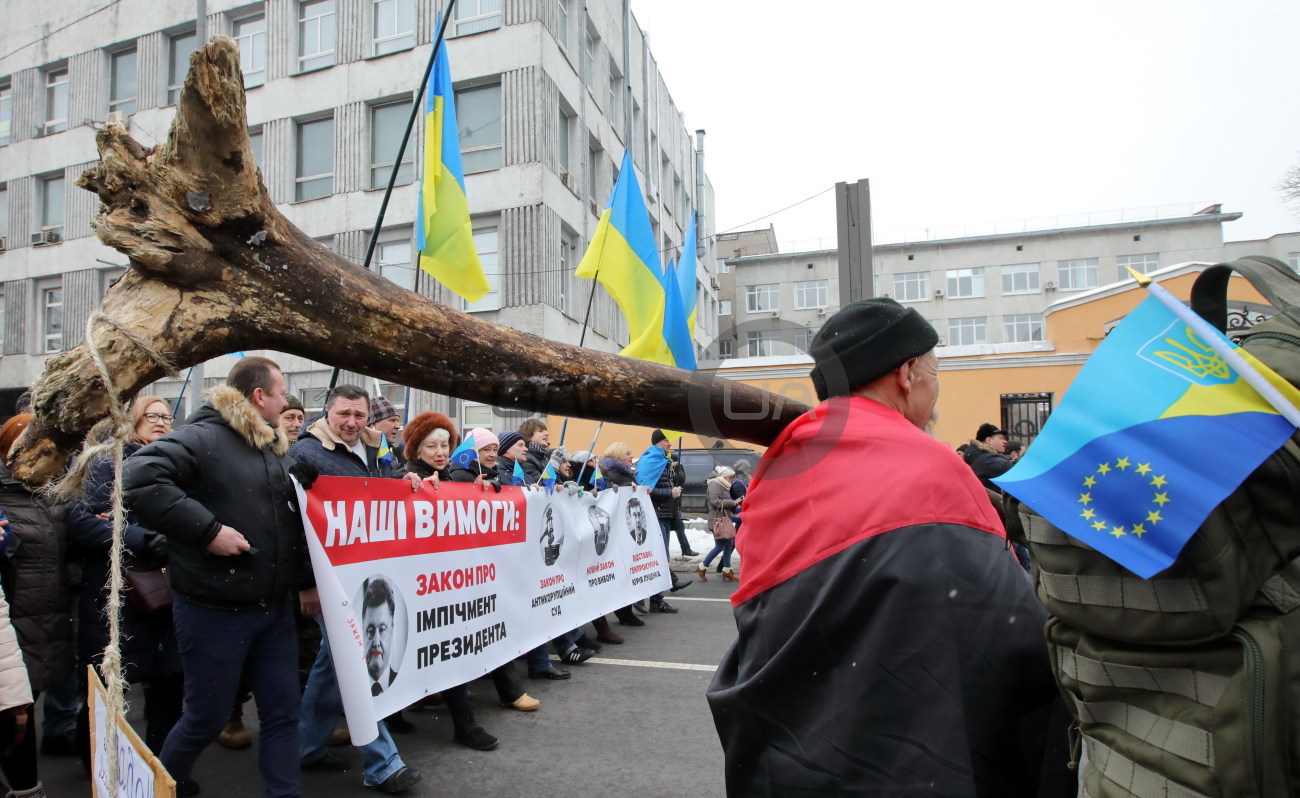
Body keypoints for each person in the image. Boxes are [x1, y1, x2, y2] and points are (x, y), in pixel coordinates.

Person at [706, 298, 1073, 797]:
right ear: (906, 372)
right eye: (935, 371)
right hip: (906, 761)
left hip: (796, 754)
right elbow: (1007, 633)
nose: (936, 387)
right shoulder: (930, 466)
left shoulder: (784, 460)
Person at [121, 357, 309, 798]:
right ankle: (163, 788)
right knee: (205, 717)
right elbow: (138, 477)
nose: (285, 403)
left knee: (283, 713)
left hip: (273, 609)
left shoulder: (270, 446)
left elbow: (289, 523)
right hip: (214, 611)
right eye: (281, 393)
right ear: (259, 397)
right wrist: (207, 532)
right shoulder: (202, 438)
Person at [291, 385, 423, 794]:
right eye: (343, 414)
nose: (351, 422)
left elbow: (383, 490)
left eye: (359, 415)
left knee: (333, 665)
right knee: (356, 660)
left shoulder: (378, 450)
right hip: (332, 580)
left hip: (368, 575)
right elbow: (294, 524)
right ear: (326, 413)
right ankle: (383, 763)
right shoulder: (305, 455)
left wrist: (407, 479)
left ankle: (305, 747)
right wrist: (307, 584)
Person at [67, 396, 183, 763]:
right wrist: (147, 539)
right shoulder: (105, 461)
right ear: (131, 420)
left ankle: (161, 765)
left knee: (169, 682)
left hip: (167, 590)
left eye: (167, 417)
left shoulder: (175, 464)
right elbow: (82, 522)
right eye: (153, 416)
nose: (162, 422)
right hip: (114, 593)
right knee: (110, 683)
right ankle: (101, 763)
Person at [0, 414, 72, 798]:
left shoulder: (51, 493)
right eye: (34, 449)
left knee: (25, 715)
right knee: (12, 718)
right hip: (10, 624)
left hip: (48, 618)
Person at [638, 430, 691, 612]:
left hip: (666, 514)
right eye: (668, 441)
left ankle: (656, 600)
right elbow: (644, 490)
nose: (670, 444)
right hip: (656, 514)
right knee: (658, 558)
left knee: (661, 558)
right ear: (659, 442)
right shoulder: (651, 460)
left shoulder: (664, 460)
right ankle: (647, 597)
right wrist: (670, 493)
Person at [598, 444, 645, 629]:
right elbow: (606, 490)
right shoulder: (609, 472)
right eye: (628, 453)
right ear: (618, 455)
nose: (632, 456)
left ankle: (626, 611)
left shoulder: (625, 472)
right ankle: (623, 612)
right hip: (613, 529)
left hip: (624, 527)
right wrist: (626, 487)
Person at [697, 467, 739, 582]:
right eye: (730, 477)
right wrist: (733, 502)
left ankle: (726, 570)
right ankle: (702, 567)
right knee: (720, 546)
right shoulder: (715, 484)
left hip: (723, 519)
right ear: (724, 476)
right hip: (717, 520)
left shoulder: (722, 485)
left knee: (729, 544)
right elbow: (715, 502)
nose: (731, 480)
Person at [963, 422, 1015, 492]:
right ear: (989, 440)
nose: (1005, 441)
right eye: (1001, 438)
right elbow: (1013, 470)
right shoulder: (988, 459)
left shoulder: (980, 456)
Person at [368, 396, 403, 465]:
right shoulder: (365, 456)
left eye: (397, 421)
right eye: (392, 420)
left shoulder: (386, 454)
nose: (398, 426)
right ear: (373, 425)